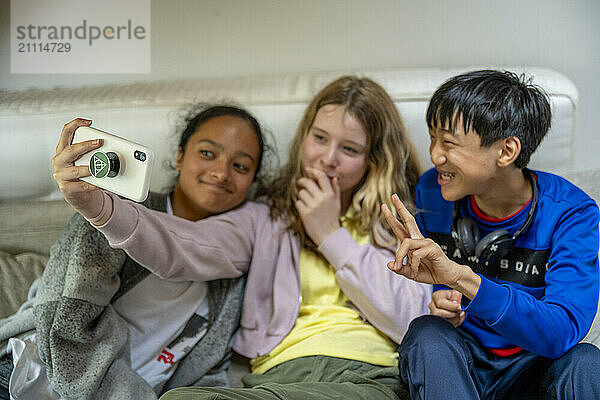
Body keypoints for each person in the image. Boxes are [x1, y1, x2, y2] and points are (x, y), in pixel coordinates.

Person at [50, 76, 432, 400]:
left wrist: (330, 234)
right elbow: (183, 247)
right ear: (304, 139)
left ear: (373, 160)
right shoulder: (266, 217)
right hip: (277, 380)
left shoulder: (397, 221)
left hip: (367, 377)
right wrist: (100, 207)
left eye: (349, 149)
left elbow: (412, 320)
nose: (327, 159)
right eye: (320, 138)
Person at [0, 104, 275, 400]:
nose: (222, 173)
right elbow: (65, 321)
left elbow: (209, 374)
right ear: (180, 156)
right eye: (207, 153)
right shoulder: (106, 209)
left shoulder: (232, 271)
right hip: (28, 376)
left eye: (241, 166)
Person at [381, 70, 600, 399]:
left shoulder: (572, 214)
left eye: (448, 142)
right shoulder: (433, 190)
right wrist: (445, 304)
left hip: (533, 366)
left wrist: (462, 279)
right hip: (463, 365)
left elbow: (562, 331)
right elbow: (443, 299)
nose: (435, 155)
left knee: (586, 362)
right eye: (432, 138)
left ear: (506, 151)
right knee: (427, 332)